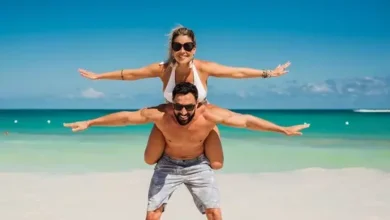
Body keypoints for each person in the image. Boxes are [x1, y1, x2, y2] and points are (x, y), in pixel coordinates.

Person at [64, 82, 309, 220]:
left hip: (198, 164)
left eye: (188, 107)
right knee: (153, 213)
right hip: (168, 164)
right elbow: (126, 118)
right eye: (178, 107)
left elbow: (245, 121)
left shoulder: (210, 114)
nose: (183, 112)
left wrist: (282, 129)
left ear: (197, 104)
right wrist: (90, 122)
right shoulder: (160, 113)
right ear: (172, 103)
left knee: (214, 212)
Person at [77, 25, 291, 170]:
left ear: (194, 49)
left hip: (200, 115)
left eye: (187, 46)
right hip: (170, 116)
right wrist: (99, 76)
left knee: (216, 164)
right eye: (178, 46)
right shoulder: (163, 69)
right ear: (172, 48)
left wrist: (269, 73)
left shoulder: (203, 67)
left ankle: (200, 141)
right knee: (149, 159)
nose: (182, 50)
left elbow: (237, 73)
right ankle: (174, 152)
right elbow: (130, 74)